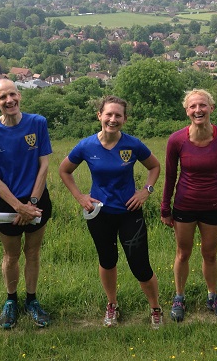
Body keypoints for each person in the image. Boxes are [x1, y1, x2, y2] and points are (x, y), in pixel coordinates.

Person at [58, 96, 163, 329]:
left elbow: (154, 166)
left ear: (124, 119)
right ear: (100, 116)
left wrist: (146, 191)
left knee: (140, 265)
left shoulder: (133, 144)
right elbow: (64, 170)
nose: (112, 119)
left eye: (118, 115)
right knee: (107, 261)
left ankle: (156, 308)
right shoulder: (86, 145)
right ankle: (112, 305)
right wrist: (80, 196)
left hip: (129, 212)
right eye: (109, 114)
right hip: (99, 215)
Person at [0, 77, 52, 329]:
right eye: (2, 97)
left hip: (37, 200)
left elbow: (44, 165)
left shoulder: (38, 123)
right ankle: (11, 301)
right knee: (11, 255)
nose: (9, 100)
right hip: (6, 205)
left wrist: (30, 203)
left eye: (12, 94)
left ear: (19, 95)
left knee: (32, 253)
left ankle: (32, 300)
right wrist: (18, 207)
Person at [161, 89, 217, 322]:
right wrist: (165, 207)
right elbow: (170, 177)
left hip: (213, 205)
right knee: (183, 253)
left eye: (202, 105)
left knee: (210, 254)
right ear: (187, 111)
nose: (198, 110)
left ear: (211, 108)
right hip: (185, 205)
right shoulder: (176, 140)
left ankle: (212, 296)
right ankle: (179, 297)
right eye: (193, 107)